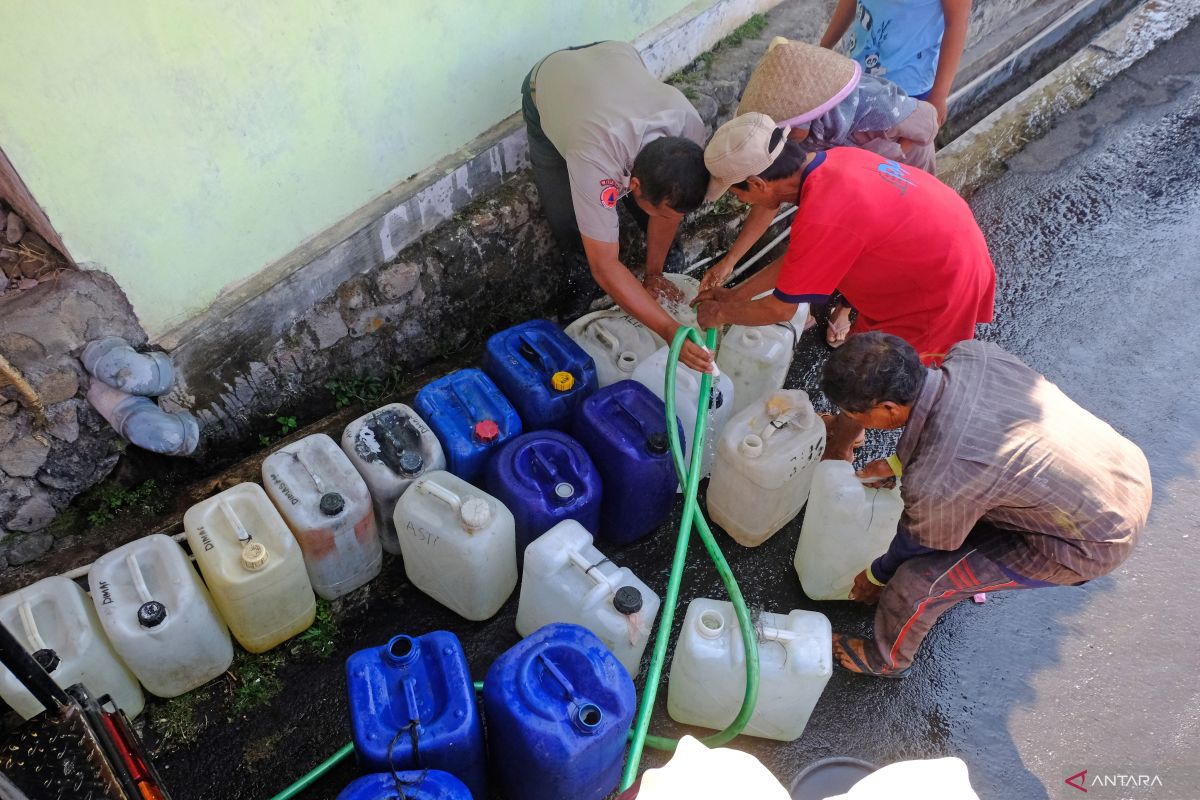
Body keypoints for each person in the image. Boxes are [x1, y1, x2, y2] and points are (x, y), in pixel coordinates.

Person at [820, 333, 1152, 677]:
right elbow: (963, 427)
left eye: (855, 414)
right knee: (953, 521)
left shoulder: (937, 479)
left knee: (918, 581)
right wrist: (897, 463)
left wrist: (878, 574)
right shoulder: (973, 355)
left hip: (1090, 540)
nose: (856, 422)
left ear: (888, 409)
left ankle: (885, 660)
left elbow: (918, 542)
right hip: (1123, 468)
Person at [694, 113, 995, 458]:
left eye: (738, 195)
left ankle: (842, 451)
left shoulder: (825, 211)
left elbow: (780, 308)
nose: (743, 203)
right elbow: (800, 259)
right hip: (943, 241)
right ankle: (845, 430)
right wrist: (736, 295)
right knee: (866, 353)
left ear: (758, 184)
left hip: (939, 283)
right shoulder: (832, 161)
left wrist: (721, 313)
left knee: (876, 373)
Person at [522, 41, 713, 373]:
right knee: (572, 229)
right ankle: (574, 311)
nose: (670, 220)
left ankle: (655, 268)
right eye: (664, 213)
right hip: (551, 78)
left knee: (667, 242)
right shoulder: (593, 153)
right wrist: (669, 330)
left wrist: (654, 275)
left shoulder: (689, 129)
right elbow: (605, 266)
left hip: (613, 55)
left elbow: (671, 214)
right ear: (632, 186)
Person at [820, 0, 972, 126]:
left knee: (891, 158)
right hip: (856, 75)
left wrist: (938, 97)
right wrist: (823, 49)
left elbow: (957, 23)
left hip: (905, 91)